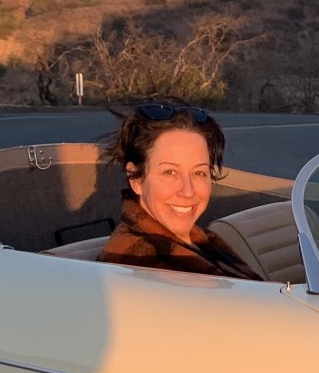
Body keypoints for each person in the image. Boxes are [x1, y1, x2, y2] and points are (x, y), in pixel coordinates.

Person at [97, 101, 258, 278]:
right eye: (170, 172)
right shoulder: (140, 263)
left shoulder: (201, 240)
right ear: (135, 179)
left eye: (199, 173)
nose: (188, 191)